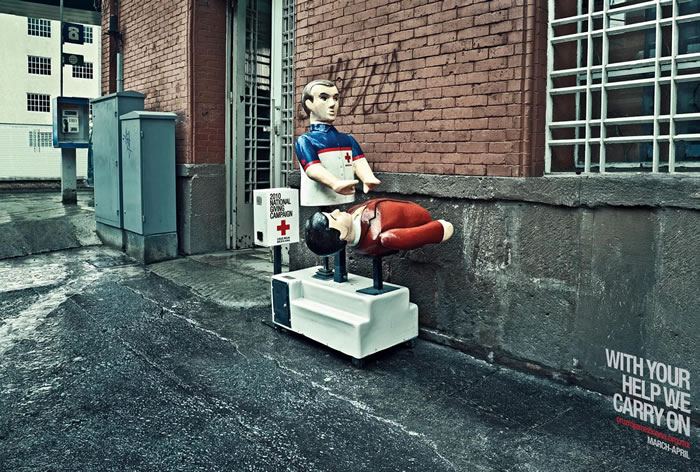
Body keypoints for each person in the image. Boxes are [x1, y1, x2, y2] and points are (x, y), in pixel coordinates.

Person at [295, 79, 381, 207]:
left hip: (345, 199)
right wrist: (334, 183)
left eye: (335, 98)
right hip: (318, 201)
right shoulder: (305, 140)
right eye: (324, 98)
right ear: (309, 104)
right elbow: (313, 169)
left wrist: (367, 177)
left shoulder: (347, 139)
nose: (332, 104)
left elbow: (358, 162)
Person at [304, 198, 454, 257]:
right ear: (341, 235)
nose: (337, 211)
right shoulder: (377, 239)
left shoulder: (351, 213)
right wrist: (438, 230)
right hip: (422, 222)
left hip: (415, 211)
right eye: (334, 218)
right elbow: (411, 236)